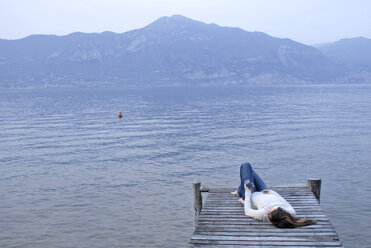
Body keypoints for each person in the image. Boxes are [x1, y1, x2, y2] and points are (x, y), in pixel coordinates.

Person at [231, 162, 317, 228]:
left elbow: (247, 211)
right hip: (265, 192)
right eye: (270, 212)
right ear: (280, 209)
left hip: (251, 193)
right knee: (251, 173)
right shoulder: (290, 212)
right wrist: (270, 192)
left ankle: (241, 190)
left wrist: (246, 196)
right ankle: (239, 190)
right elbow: (280, 198)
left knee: (246, 166)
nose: (268, 212)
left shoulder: (263, 214)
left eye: (269, 216)